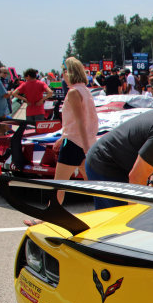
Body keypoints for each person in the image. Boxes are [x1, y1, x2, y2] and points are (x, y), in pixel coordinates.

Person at [50, 58, 99, 204]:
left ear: (69, 72)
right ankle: (106, 212)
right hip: (85, 142)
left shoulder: (73, 92)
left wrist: (84, 148)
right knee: (94, 186)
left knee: (58, 185)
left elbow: (79, 122)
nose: (62, 75)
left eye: (64, 72)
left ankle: (49, 217)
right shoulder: (85, 90)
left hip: (74, 144)